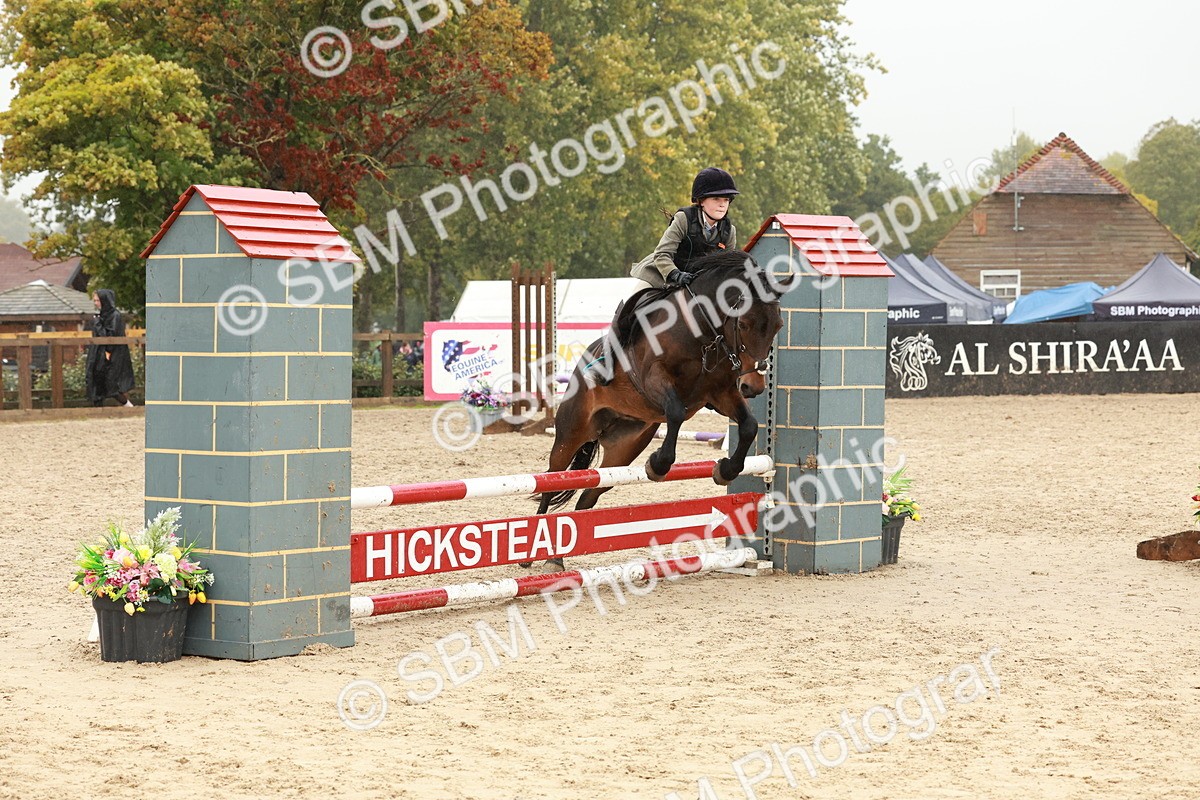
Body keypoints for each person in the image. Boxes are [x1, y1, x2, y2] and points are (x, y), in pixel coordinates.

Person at [629, 166, 740, 289]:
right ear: (701, 201)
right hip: (662, 274)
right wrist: (676, 275)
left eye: (726, 200)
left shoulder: (729, 231)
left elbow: (726, 268)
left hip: (699, 284)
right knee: (636, 301)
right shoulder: (683, 219)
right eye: (716, 199)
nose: (722, 205)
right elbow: (662, 254)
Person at [85, 289, 135, 407]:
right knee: (96, 382)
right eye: (95, 300)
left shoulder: (114, 316)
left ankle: (129, 407)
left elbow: (108, 337)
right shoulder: (102, 315)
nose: (96, 303)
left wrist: (97, 323)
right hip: (99, 355)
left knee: (112, 385)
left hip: (112, 355)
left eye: (98, 300)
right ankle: (98, 411)